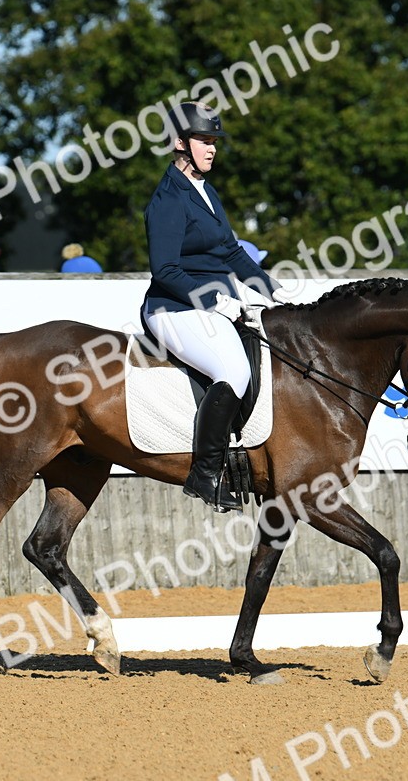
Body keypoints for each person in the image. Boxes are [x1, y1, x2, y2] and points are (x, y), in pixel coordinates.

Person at [141, 102, 289, 511]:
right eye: (204, 140)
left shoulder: (207, 192)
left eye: (213, 142)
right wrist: (215, 301)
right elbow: (166, 269)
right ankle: (205, 475)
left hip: (214, 306)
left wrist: (274, 291)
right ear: (179, 143)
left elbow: (231, 252)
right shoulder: (168, 200)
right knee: (234, 369)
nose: (212, 148)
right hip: (173, 309)